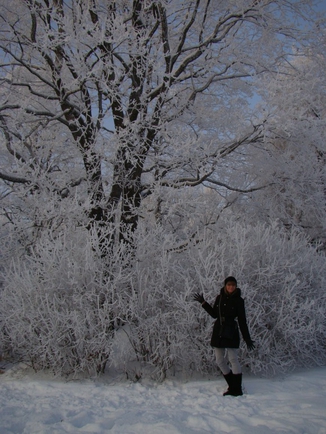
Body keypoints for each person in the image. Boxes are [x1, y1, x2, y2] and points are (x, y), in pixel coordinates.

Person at [194, 276, 254, 396]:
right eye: (229, 285)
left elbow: (242, 320)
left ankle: (237, 389)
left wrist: (247, 338)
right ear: (225, 286)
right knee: (220, 360)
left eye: (233, 285)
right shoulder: (219, 298)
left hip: (232, 331)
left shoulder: (239, 300)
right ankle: (233, 386)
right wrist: (204, 303)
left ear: (235, 286)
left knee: (233, 359)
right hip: (219, 331)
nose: (231, 287)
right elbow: (214, 315)